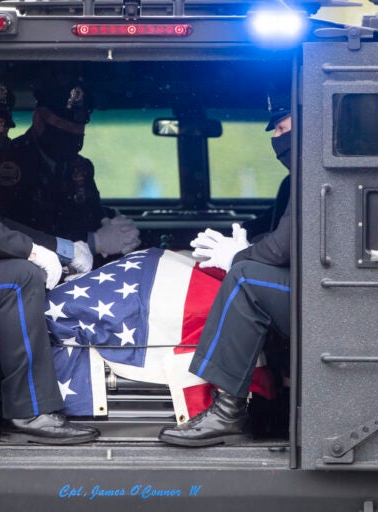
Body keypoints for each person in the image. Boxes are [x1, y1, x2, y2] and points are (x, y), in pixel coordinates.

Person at [158, 96, 293, 447]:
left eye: (282, 128)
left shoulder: (314, 172)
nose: (277, 138)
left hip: (327, 296)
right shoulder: (299, 177)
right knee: (246, 270)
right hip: (314, 288)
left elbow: (282, 248)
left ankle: (228, 410)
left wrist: (239, 254)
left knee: (245, 277)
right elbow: (278, 233)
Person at [0, 78, 99, 444]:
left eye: (0, 126)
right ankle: (30, 410)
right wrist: (33, 251)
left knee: (24, 272)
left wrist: (60, 247)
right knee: (22, 276)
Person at [0, 79, 141, 267]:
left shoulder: (81, 167)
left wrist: (112, 224)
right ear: (38, 120)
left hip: (83, 267)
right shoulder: (9, 164)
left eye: (77, 128)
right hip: (34, 265)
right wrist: (91, 242)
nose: (71, 132)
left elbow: (89, 212)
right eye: (61, 124)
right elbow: (10, 227)